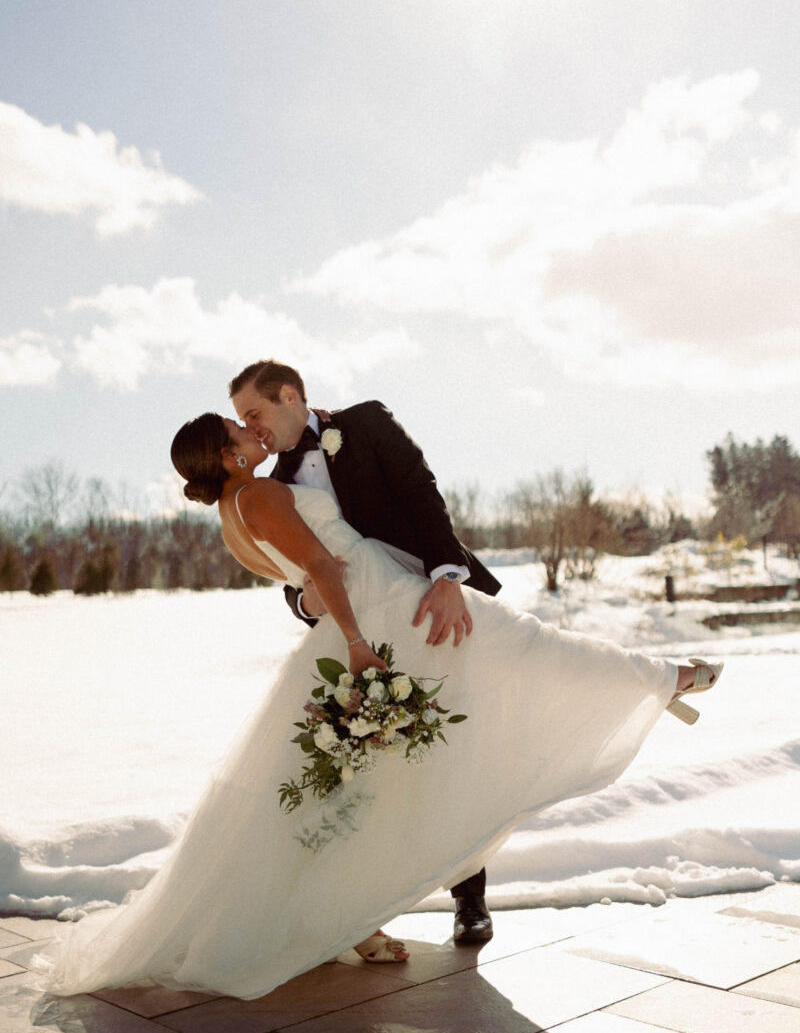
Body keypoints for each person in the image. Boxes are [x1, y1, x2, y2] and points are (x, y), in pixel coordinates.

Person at [39, 413, 722, 1001]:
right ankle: (664, 677)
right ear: (227, 455)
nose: (251, 429)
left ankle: (348, 919)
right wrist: (359, 643)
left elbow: (308, 573)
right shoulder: (263, 492)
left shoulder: (230, 517)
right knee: (525, 647)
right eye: (237, 429)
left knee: (356, 783)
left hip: (373, 610)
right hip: (386, 612)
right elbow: (323, 569)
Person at [229, 359, 500, 944]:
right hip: (361, 640)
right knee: (375, 766)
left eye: (254, 412)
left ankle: (470, 900)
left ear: (290, 395)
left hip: (429, 607)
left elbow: (422, 493)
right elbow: (294, 573)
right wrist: (306, 604)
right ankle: (357, 911)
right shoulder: (274, 483)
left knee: (453, 748)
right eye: (241, 421)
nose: (251, 428)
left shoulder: (366, 423)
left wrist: (447, 578)